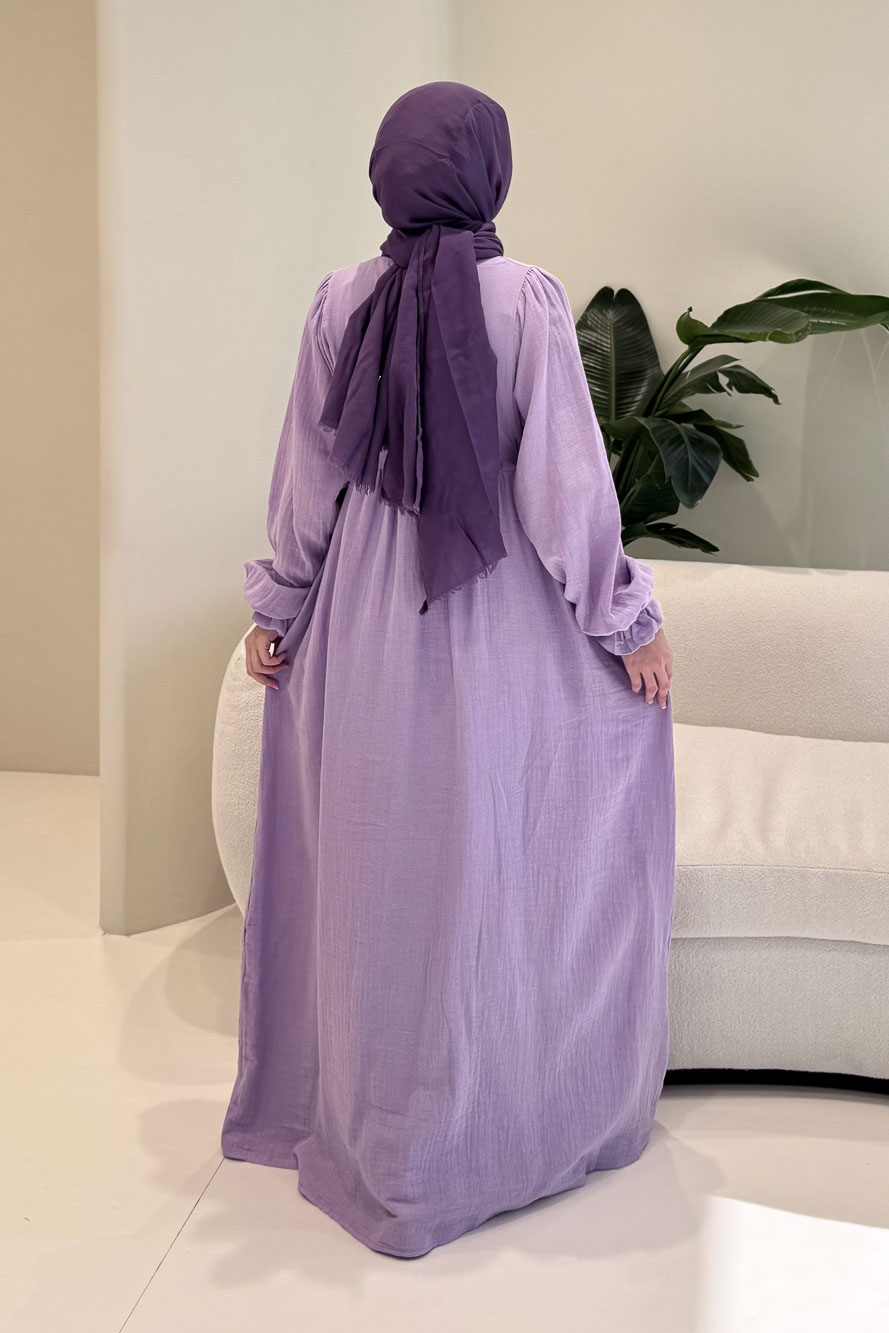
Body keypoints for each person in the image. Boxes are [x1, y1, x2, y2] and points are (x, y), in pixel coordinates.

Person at [221, 80, 676, 1260]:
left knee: (381, 872)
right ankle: (495, 1127)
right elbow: (566, 489)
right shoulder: (522, 298)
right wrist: (625, 624)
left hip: (366, 631)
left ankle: (384, 1134)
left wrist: (282, 605)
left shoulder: (340, 298)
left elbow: (307, 478)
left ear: (390, 172)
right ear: (488, 171)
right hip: (495, 624)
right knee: (493, 864)